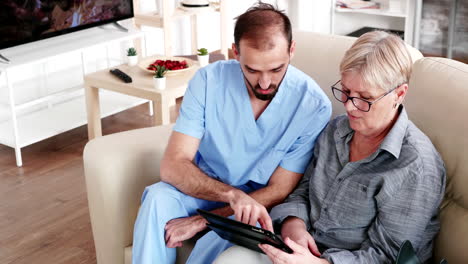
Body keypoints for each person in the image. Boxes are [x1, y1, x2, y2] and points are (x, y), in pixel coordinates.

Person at [214, 31, 446, 264]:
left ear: (399, 93)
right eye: (345, 92)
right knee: (230, 259)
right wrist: (294, 226)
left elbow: (389, 256)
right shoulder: (336, 130)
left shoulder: (416, 165)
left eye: (364, 98)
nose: (350, 107)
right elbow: (303, 189)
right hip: (297, 252)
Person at [131, 3, 332, 264]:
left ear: (291, 50)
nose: (264, 83)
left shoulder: (313, 105)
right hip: (205, 186)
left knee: (236, 227)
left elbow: (280, 189)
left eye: (276, 69)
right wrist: (231, 196)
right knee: (158, 198)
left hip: (256, 205)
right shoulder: (207, 81)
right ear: (235, 52)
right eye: (252, 70)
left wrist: (205, 219)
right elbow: (172, 166)